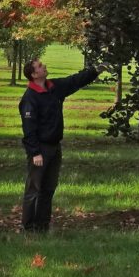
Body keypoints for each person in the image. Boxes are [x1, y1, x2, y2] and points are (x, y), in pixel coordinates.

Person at [19, 56, 109, 233]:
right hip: (40, 150)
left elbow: (74, 81)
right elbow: (29, 129)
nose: (44, 67)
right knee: (34, 189)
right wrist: (35, 152)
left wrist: (95, 70)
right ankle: (28, 228)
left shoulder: (54, 88)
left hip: (54, 147)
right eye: (40, 66)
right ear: (33, 74)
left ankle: (42, 227)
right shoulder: (30, 98)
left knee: (48, 189)